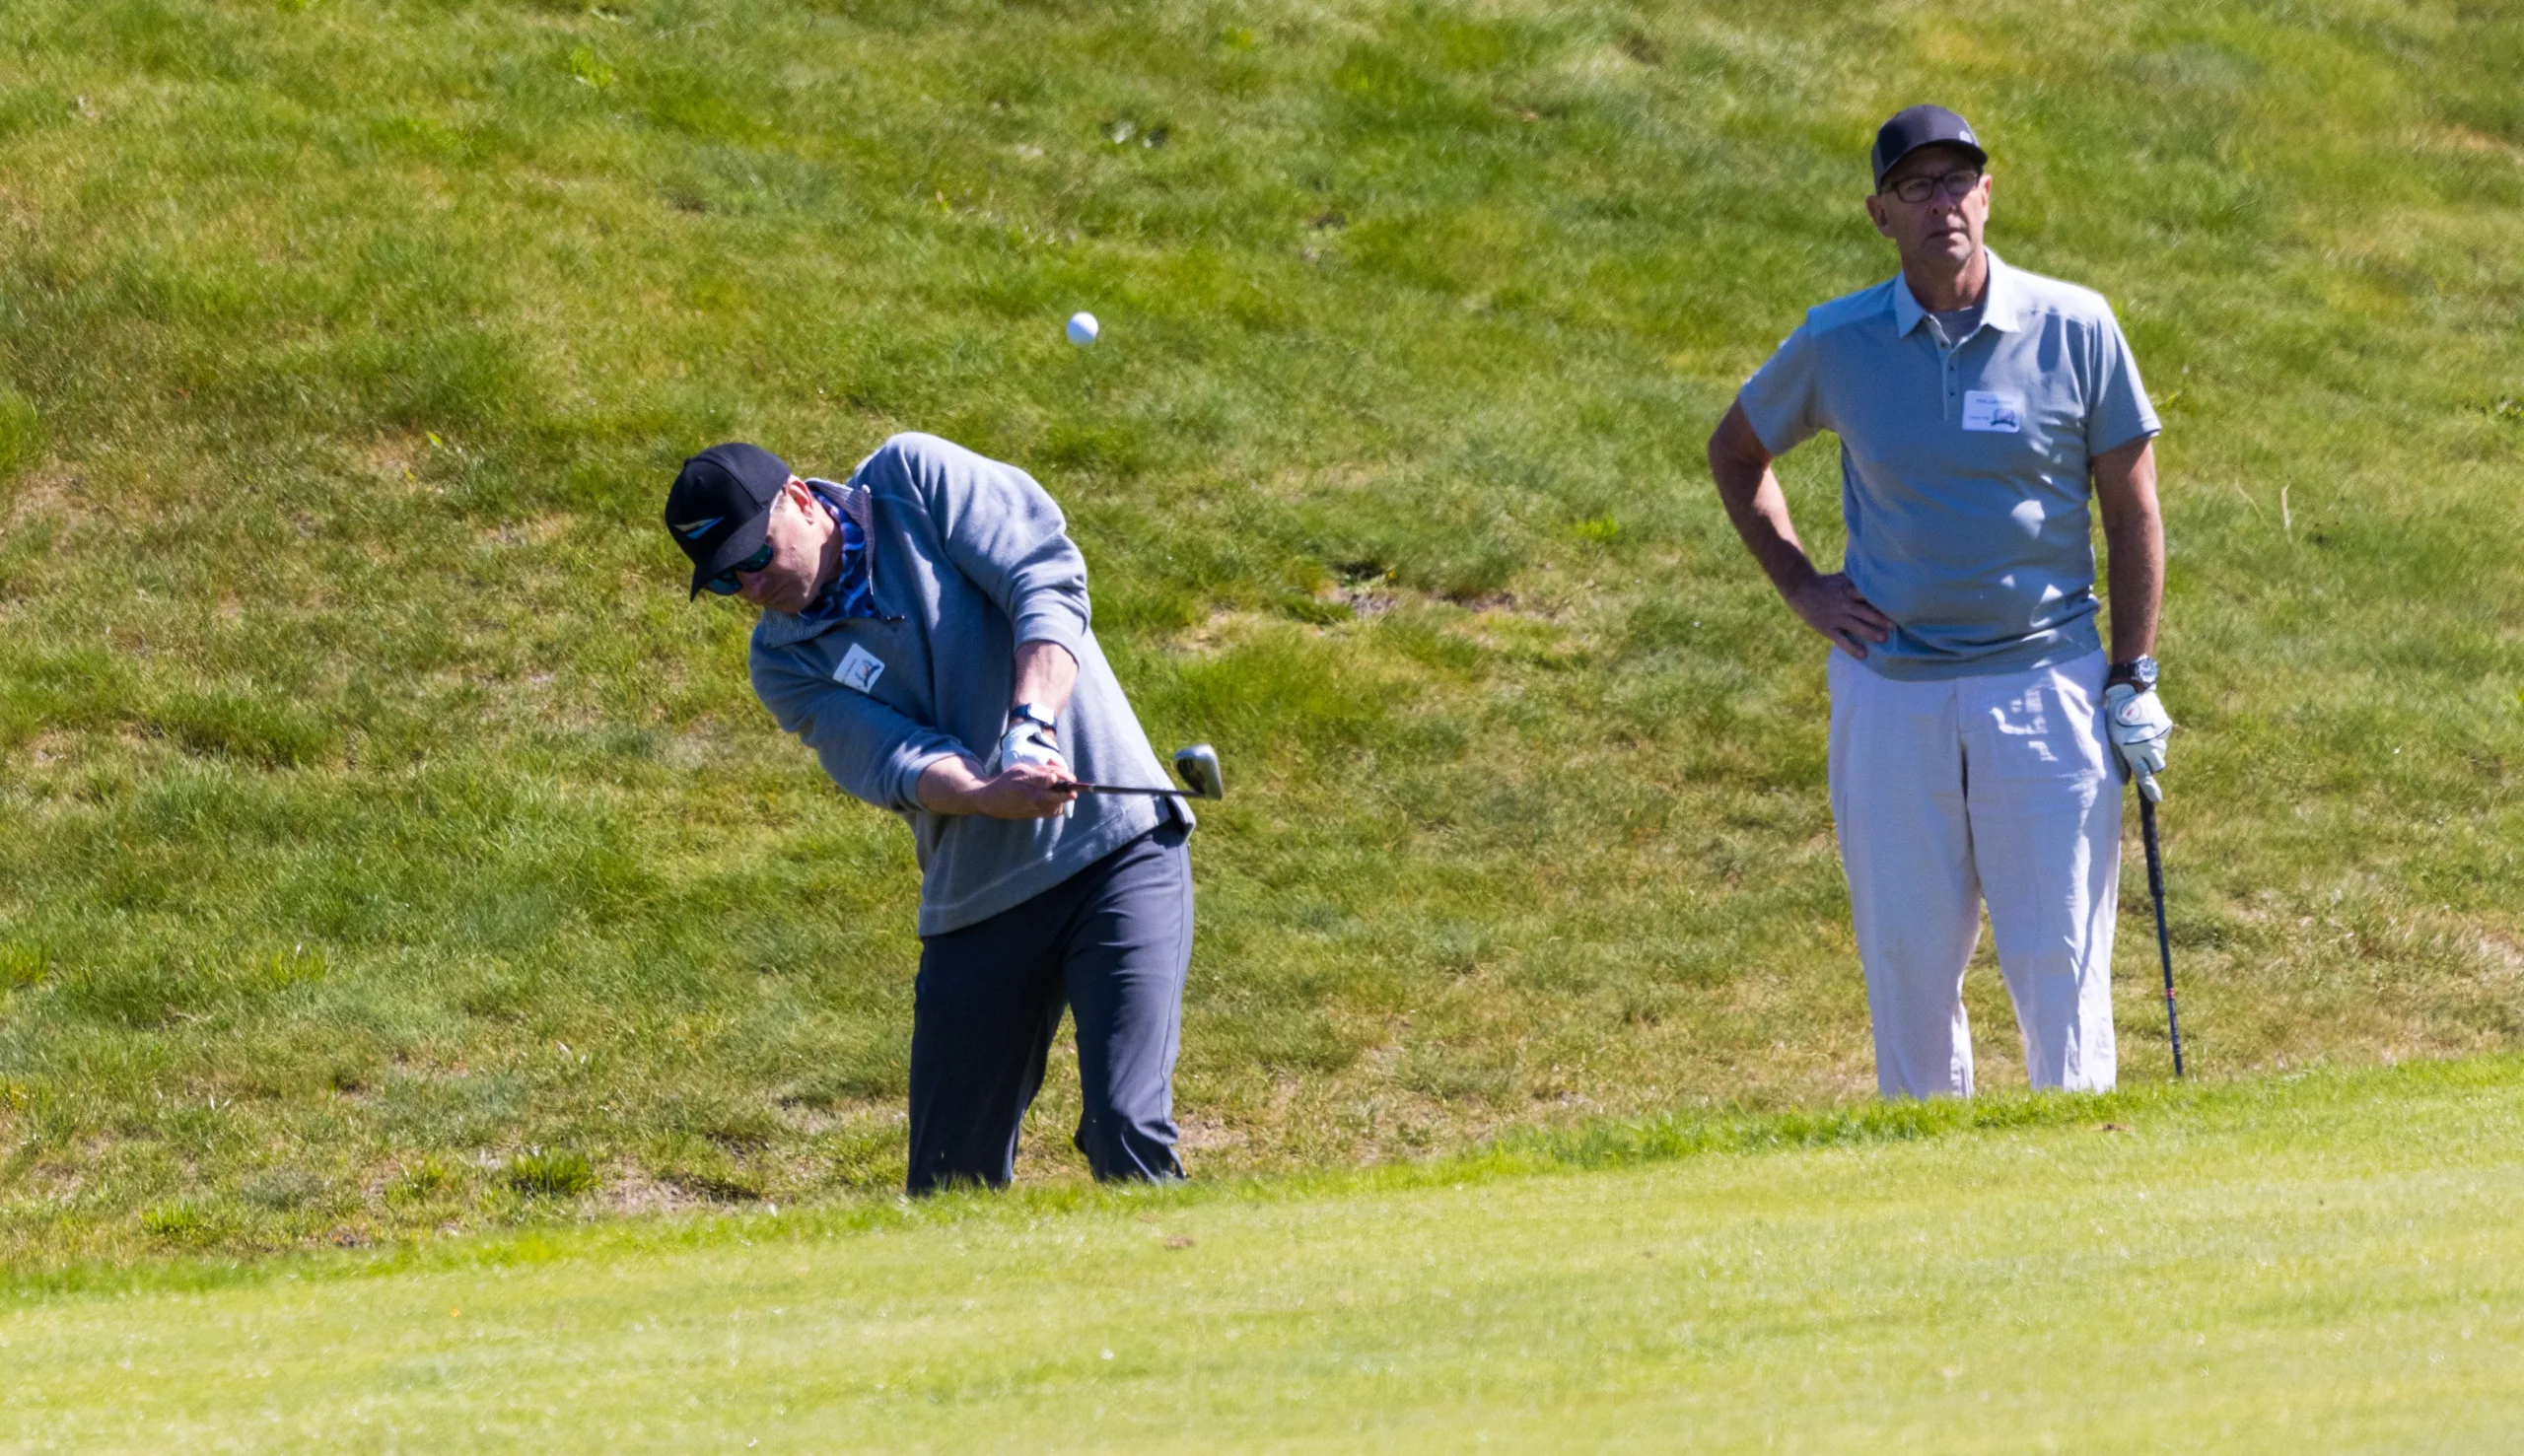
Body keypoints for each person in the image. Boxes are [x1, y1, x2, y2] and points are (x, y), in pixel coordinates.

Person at [1705, 104, 2174, 1098]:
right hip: (1892, 695)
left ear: (1988, 194)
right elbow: (1735, 451)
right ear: (1881, 214)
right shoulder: (1838, 343)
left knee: (2060, 966)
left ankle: (2078, 1196)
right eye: (1916, 187)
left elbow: (2132, 514)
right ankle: (1927, 1213)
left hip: (2044, 688)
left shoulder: (2076, 325)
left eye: (1958, 180)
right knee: (1910, 970)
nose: (1942, 204)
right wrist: (1801, 586)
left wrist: (2132, 674)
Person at [663, 433, 1194, 1192]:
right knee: (948, 1182)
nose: (751, 587)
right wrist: (984, 793)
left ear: (802, 501)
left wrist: (1031, 723)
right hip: (978, 900)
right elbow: (893, 757)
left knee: (1126, 1124)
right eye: (724, 582)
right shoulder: (783, 662)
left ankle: (1176, 1301)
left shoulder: (913, 477)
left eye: (756, 555)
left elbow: (1043, 577)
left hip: (1118, 854)